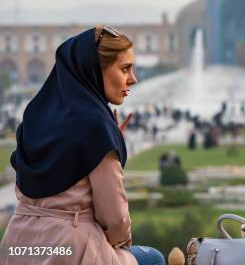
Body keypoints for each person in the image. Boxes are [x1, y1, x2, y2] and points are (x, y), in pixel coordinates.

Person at [0, 26, 165, 265]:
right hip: (69, 250)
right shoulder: (96, 126)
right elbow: (115, 218)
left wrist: (108, 138)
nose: (133, 79)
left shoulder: (35, 115)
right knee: (154, 258)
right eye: (125, 69)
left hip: (18, 247)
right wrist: (107, 141)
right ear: (95, 71)